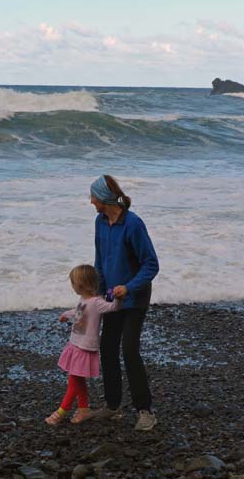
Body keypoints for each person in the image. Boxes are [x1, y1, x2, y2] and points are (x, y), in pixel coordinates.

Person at [90, 174, 160, 431]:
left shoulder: (133, 224)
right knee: (107, 348)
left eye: (93, 197)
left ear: (105, 198)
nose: (91, 202)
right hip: (111, 298)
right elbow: (100, 260)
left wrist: (128, 287)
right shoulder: (100, 221)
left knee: (129, 351)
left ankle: (146, 411)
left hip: (135, 298)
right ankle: (112, 406)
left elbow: (151, 264)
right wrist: (97, 292)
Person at [45, 264, 121, 425]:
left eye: (73, 283)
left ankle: (62, 411)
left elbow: (112, 307)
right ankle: (84, 409)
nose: (72, 287)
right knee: (77, 379)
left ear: (81, 285)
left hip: (85, 347)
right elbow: (79, 313)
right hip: (75, 343)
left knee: (74, 379)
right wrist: (66, 314)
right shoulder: (83, 300)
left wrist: (118, 298)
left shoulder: (96, 302)